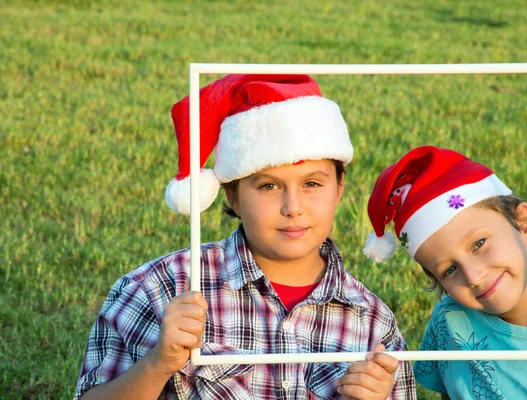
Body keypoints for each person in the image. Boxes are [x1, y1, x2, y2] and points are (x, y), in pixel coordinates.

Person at [74, 74, 417, 399]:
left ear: (339, 188)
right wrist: (157, 364)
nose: (292, 207)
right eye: (268, 186)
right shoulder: (160, 288)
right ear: (233, 196)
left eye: (312, 183)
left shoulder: (372, 323)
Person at [362, 145, 527, 399]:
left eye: (479, 244)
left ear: (525, 224)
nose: (474, 277)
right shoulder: (450, 323)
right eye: (450, 270)